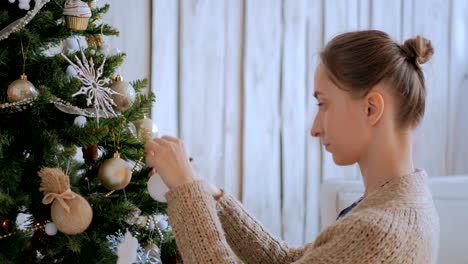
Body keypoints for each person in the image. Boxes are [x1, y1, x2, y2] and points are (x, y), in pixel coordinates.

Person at [145, 30, 440, 264]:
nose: (315, 128)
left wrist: (186, 191)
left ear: (371, 109)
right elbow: (293, 260)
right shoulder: (402, 205)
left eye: (323, 104)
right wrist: (214, 198)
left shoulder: (380, 232)